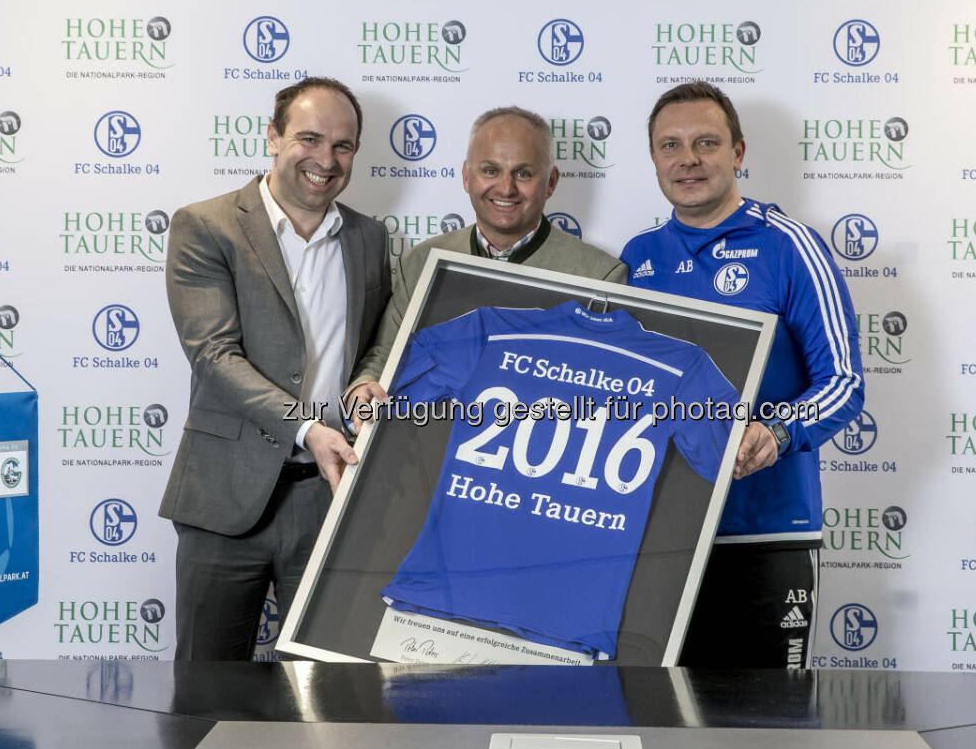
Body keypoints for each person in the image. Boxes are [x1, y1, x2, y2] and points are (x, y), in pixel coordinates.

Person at [621, 81, 864, 668]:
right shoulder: (636, 257)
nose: (689, 159)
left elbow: (844, 383)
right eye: (670, 145)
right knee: (662, 731)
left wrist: (776, 434)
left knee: (768, 739)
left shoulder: (790, 247)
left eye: (707, 142)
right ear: (653, 158)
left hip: (766, 533)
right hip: (661, 539)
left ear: (738, 152)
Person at [161, 77, 390, 660]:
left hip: (327, 496)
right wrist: (311, 427)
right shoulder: (206, 225)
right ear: (273, 137)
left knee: (325, 697)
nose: (326, 159)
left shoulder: (368, 236)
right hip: (224, 494)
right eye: (309, 138)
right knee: (207, 692)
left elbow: (369, 342)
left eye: (343, 146)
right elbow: (214, 356)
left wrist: (366, 380)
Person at [344, 106, 626, 414]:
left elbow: (606, 389)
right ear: (467, 176)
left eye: (524, 173)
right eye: (490, 170)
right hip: (429, 449)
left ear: (551, 182)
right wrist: (365, 384)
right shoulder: (420, 261)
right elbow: (386, 353)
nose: (506, 188)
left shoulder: (601, 277)